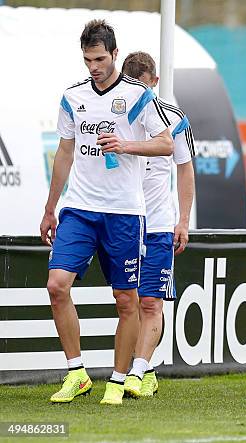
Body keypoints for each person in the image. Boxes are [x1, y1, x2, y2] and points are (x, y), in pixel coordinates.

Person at [40, 20, 173, 405]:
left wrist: (127, 146)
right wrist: (51, 208)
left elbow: (165, 144)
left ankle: (117, 380)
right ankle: (77, 373)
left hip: (124, 213)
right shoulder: (73, 96)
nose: (94, 66)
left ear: (115, 54)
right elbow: (65, 152)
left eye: (100, 58)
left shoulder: (138, 96)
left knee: (126, 300)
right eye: (87, 60)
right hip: (79, 208)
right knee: (56, 285)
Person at [120, 51, 195, 399]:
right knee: (128, 301)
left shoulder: (175, 120)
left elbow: (185, 170)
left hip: (159, 225)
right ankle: (144, 367)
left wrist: (183, 219)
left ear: (155, 83)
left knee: (151, 302)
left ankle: (139, 371)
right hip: (123, 221)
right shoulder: (116, 118)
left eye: (143, 85)